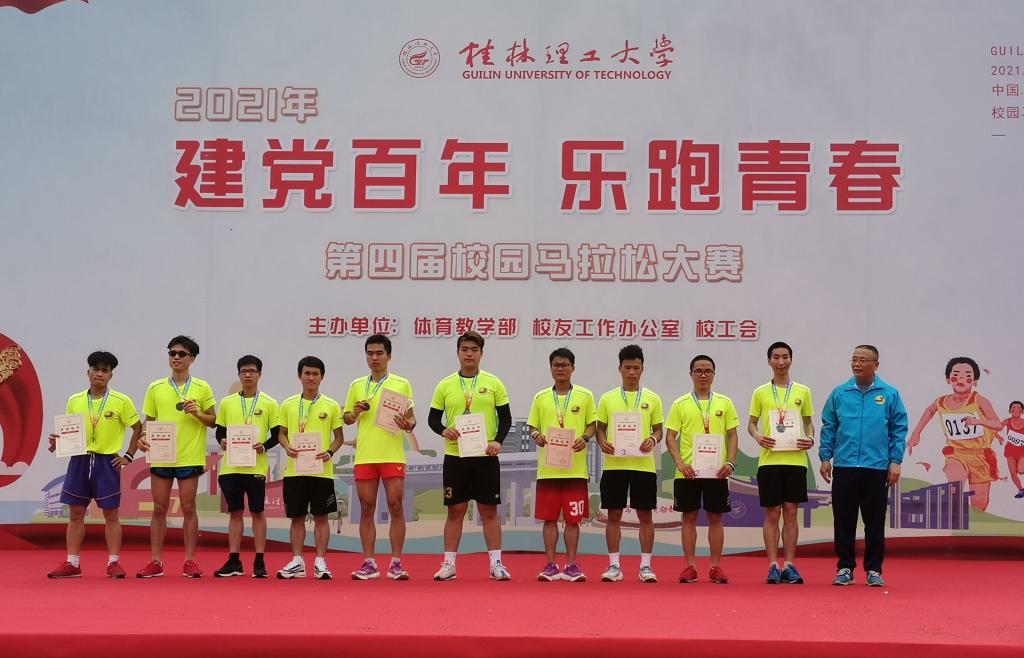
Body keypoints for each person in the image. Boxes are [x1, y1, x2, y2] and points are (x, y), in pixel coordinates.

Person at [46, 351, 142, 579]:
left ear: (111, 375)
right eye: (95, 369)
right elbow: (69, 431)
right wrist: (57, 443)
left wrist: (128, 456)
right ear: (87, 372)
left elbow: (138, 427)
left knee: (111, 513)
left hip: (106, 461)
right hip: (79, 459)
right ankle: (72, 563)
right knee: (76, 513)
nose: (99, 373)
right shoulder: (75, 399)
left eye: (105, 370)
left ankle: (113, 563)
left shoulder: (122, 401)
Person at [820, 345, 907, 587]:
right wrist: (825, 457)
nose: (857, 364)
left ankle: (874, 570)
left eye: (863, 360)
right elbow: (829, 426)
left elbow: (898, 429)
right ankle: (845, 567)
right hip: (845, 465)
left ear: (876, 365)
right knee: (843, 520)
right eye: (854, 359)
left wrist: (895, 461)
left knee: (874, 522)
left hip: (876, 467)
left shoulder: (889, 394)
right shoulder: (840, 393)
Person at [428, 331, 512, 581]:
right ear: (458, 353)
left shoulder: (494, 383)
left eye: (474, 350)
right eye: (464, 349)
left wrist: (497, 441)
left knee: (489, 510)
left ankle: (496, 564)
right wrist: (444, 430)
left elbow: (505, 419)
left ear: (481, 354)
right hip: (455, 457)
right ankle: (449, 564)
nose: (469, 354)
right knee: (455, 510)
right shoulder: (445, 385)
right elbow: (433, 419)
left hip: (485, 456)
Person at [136, 336, 217, 578]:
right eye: (172, 353)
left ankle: (190, 561)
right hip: (162, 455)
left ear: (192, 359)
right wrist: (142, 436)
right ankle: (155, 561)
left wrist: (197, 413)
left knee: (189, 507)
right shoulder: (155, 387)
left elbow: (213, 421)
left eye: (182, 354)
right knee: (159, 508)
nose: (176, 357)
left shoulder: (202, 387)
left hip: (189, 456)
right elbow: (148, 421)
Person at [343, 334, 417, 581]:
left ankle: (396, 563)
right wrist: (354, 413)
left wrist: (407, 424)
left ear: (389, 356)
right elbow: (347, 419)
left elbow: (412, 418)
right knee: (366, 508)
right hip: (365, 455)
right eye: (370, 353)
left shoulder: (401, 384)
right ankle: (369, 563)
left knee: (395, 506)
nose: (374, 358)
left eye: (379, 353)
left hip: (392, 454)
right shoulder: (356, 385)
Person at [665, 354, 738, 584]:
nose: (703, 375)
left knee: (716, 517)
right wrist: (680, 463)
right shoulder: (680, 404)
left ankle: (715, 567)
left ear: (714, 374)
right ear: (691, 374)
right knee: (689, 517)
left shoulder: (725, 402)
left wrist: (730, 462)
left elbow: (732, 435)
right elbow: (670, 436)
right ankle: (690, 566)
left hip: (717, 472)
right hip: (688, 472)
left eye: (708, 371)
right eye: (698, 371)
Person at [526, 347, 597, 582]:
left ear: (573, 368)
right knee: (549, 519)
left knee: (573, 520)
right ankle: (550, 565)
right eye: (556, 365)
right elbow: (532, 426)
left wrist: (585, 438)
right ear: (550, 369)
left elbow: (592, 424)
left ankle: (571, 565)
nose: (560, 369)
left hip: (575, 470)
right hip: (548, 470)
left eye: (565, 365)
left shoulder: (585, 396)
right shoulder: (540, 397)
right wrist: (535, 435)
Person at [747, 341, 814, 585]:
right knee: (772, 513)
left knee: (791, 512)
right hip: (769, 461)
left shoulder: (803, 391)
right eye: (776, 357)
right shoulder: (760, 392)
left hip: (796, 461)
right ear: (769, 361)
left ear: (791, 360)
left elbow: (808, 422)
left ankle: (790, 565)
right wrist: (757, 436)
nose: (781, 361)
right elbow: (751, 423)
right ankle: (773, 566)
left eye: (785, 357)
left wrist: (810, 438)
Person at [595, 344, 663, 583]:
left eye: (636, 367)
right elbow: (600, 429)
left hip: (643, 466)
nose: (632, 372)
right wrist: (602, 442)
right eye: (627, 367)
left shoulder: (652, 398)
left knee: (645, 515)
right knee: (613, 514)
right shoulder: (607, 398)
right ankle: (614, 565)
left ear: (642, 369)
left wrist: (653, 439)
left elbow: (658, 430)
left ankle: (646, 566)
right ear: (620, 368)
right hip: (614, 465)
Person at [276, 356, 345, 580]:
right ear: (300, 376)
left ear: (322, 377)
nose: (311, 378)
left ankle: (320, 562)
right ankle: (297, 562)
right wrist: (286, 446)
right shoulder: (288, 404)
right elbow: (281, 433)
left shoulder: (331, 405)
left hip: (321, 471)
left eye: (315, 374)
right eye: (307, 373)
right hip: (295, 471)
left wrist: (330, 452)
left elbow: (339, 437)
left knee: (321, 517)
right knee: (297, 517)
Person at [212, 355, 280, 578]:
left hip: (255, 468)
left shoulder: (269, 403)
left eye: (252, 371)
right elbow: (220, 431)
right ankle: (234, 561)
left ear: (260, 374)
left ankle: (259, 561)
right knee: (235, 513)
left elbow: (277, 434)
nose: (248, 375)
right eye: (244, 371)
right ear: (239, 375)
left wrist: (264, 446)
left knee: (258, 512)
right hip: (230, 468)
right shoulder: (227, 402)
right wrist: (222, 440)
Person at [907, 357, 1003, 511]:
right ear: (948, 379)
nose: (961, 379)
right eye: (956, 375)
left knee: (980, 504)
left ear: (975, 381)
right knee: (955, 482)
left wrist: (978, 421)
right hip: (956, 453)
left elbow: (998, 424)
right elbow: (929, 411)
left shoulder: (979, 400)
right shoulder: (941, 401)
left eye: (967, 376)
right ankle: (953, 513)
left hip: (981, 456)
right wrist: (916, 434)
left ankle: (974, 522)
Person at [998, 401, 1024, 499]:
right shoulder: (1007, 421)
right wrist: (998, 437)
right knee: (1013, 474)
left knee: (1020, 471)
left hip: (1022, 452)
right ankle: (1021, 490)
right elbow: (996, 428)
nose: (1016, 410)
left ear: (1022, 411)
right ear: (1010, 410)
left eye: (1019, 408)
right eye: (1013, 408)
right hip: (1010, 452)